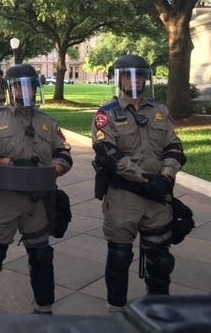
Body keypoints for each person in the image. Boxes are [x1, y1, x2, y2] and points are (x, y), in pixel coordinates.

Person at [0, 63, 72, 314]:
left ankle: (44, 305)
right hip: (4, 197)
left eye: (29, 86)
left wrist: (58, 167)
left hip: (37, 200)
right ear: (10, 89)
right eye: (19, 86)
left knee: (41, 255)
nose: (24, 91)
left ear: (36, 89)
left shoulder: (47, 122)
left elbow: (64, 153)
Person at [91, 54, 186, 313]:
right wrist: (145, 179)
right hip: (125, 197)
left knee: (161, 260)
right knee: (119, 257)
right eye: (128, 76)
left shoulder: (159, 111)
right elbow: (108, 153)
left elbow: (174, 147)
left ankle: (158, 309)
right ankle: (116, 311)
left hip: (157, 197)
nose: (135, 80)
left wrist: (166, 177)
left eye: (140, 75)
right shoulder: (106, 115)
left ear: (147, 78)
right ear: (118, 79)